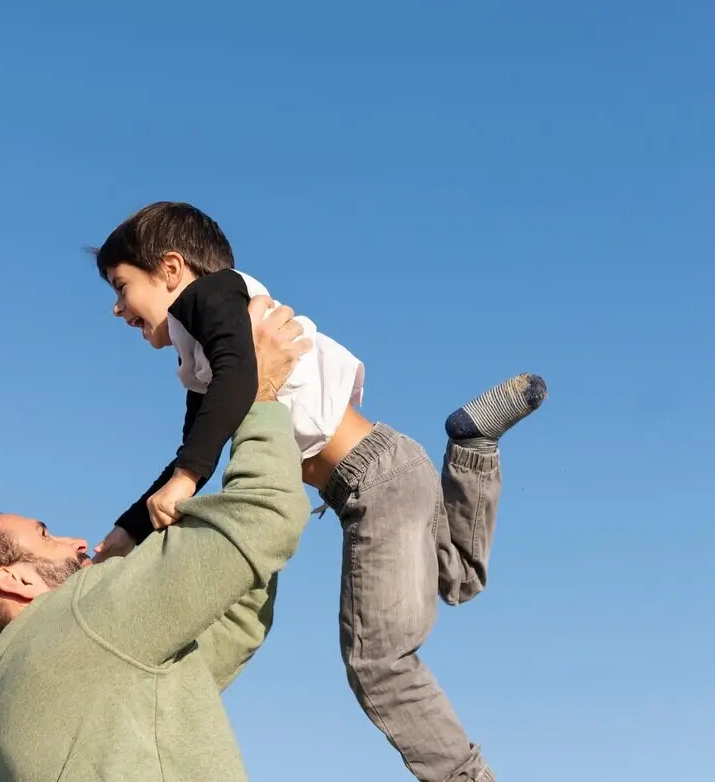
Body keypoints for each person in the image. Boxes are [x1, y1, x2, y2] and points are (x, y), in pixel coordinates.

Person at [88, 201, 545, 782]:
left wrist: (185, 479)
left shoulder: (212, 299)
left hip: (375, 481)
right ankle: (473, 447)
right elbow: (195, 448)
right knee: (457, 578)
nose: (117, 307)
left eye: (122, 286)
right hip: (387, 469)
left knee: (377, 662)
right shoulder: (205, 345)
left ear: (172, 269)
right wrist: (128, 530)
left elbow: (236, 384)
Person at [0, 297, 315, 781]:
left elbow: (229, 628)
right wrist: (260, 394)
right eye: (45, 535)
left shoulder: (2, 723)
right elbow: (264, 515)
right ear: (15, 579)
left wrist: (187, 547)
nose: (77, 542)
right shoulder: (78, 622)